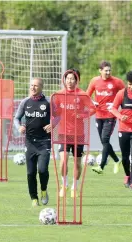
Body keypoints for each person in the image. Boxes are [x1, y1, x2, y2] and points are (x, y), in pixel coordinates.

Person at [52, 69, 96, 198]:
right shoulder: (59, 95)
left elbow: (93, 109)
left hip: (78, 134)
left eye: (72, 79)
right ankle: (64, 185)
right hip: (63, 133)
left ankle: (74, 187)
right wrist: (53, 120)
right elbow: (55, 113)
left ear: (77, 80)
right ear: (64, 80)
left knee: (77, 163)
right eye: (68, 78)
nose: (70, 81)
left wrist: (82, 115)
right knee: (63, 160)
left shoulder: (82, 95)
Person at [14, 78, 52, 207]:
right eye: (31, 85)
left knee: (42, 170)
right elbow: (16, 118)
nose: (33, 88)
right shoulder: (25, 102)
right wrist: (19, 127)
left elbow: (58, 116)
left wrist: (53, 124)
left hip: (45, 141)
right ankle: (34, 198)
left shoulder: (48, 102)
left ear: (41, 87)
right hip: (30, 142)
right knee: (30, 172)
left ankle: (43, 190)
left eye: (36, 86)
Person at [86, 61, 125, 174]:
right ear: (100, 71)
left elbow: (125, 95)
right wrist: (93, 102)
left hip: (110, 115)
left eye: (109, 70)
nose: (108, 72)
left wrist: (116, 105)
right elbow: (86, 96)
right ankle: (117, 160)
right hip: (99, 115)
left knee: (105, 139)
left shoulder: (117, 82)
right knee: (104, 142)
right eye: (106, 70)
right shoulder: (94, 81)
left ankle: (101, 166)